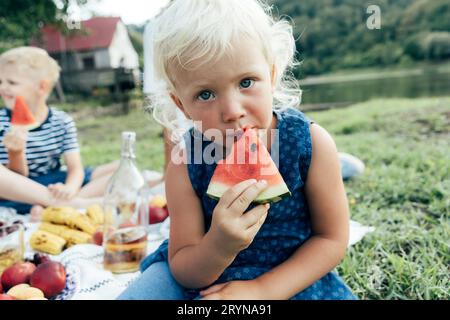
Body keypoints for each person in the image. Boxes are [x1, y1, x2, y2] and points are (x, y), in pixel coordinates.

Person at [119, 0, 356, 300]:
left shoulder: (311, 143)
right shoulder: (184, 162)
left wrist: (263, 290)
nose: (232, 111)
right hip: (206, 273)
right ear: (181, 105)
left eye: (246, 82)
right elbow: (183, 266)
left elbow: (332, 239)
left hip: (289, 274)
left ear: (271, 74)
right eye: (205, 94)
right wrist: (218, 245)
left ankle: (342, 165)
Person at [0, 47, 117, 215]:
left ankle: (65, 203)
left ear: (41, 87)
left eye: (11, 82)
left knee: (119, 167)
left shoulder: (61, 121)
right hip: (18, 191)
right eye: (1, 82)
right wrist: (15, 153)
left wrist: (69, 188)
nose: (3, 88)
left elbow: (75, 168)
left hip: (54, 182)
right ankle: (69, 204)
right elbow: (15, 178)